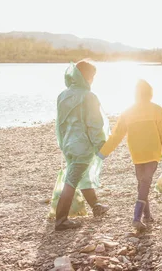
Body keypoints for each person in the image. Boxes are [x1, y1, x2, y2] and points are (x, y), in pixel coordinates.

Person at [98, 79, 162, 232]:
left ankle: (147, 216)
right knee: (145, 182)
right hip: (152, 152)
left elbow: (116, 135)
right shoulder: (156, 109)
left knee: (143, 182)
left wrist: (103, 152)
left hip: (137, 152)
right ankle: (136, 218)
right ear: (150, 94)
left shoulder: (128, 111)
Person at [54, 60, 109, 231]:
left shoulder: (63, 95)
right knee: (72, 180)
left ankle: (96, 206)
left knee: (80, 175)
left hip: (68, 143)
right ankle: (61, 219)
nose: (93, 80)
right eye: (92, 77)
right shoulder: (88, 97)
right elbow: (94, 124)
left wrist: (63, 144)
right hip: (82, 144)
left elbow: (59, 124)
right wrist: (101, 144)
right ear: (85, 77)